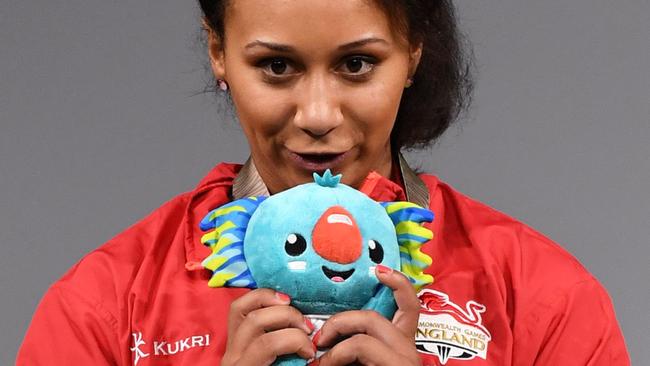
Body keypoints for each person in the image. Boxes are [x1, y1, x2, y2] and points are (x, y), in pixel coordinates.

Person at [17, 1, 630, 365]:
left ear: (413, 53)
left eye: (356, 64)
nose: (317, 115)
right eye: (276, 66)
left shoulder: (541, 295)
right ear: (218, 52)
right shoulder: (103, 304)